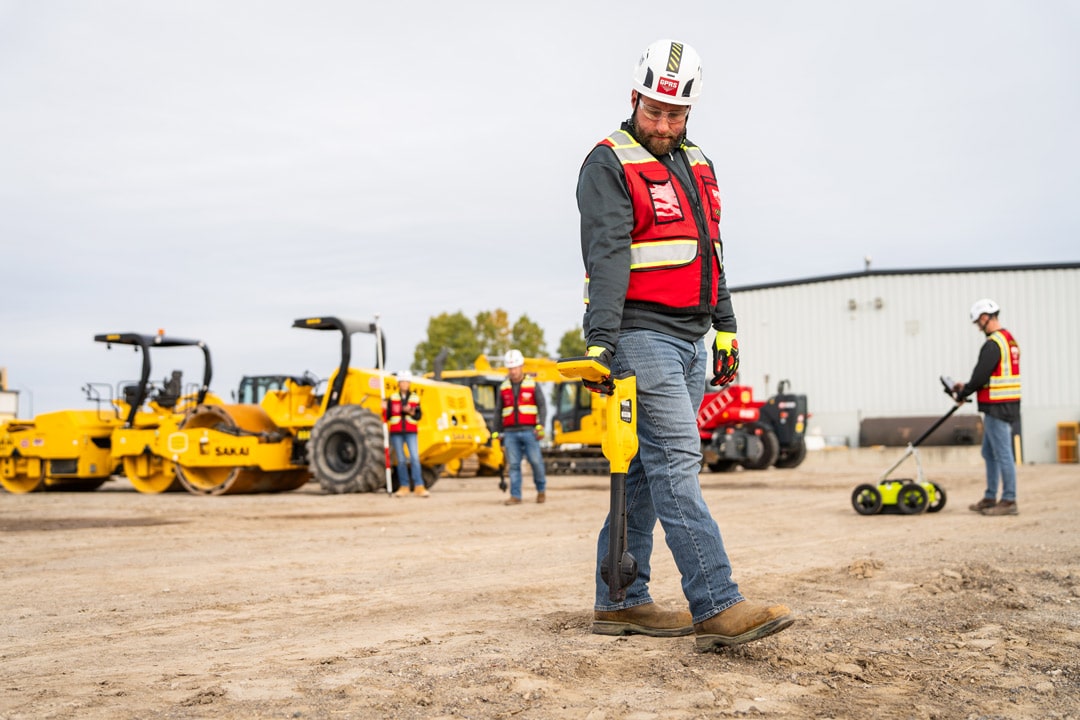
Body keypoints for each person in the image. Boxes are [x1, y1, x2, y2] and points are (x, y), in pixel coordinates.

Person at [576, 38, 794, 651]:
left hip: (694, 339)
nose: (664, 124)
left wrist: (725, 325)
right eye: (654, 111)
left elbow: (712, 251)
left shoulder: (698, 161)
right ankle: (717, 604)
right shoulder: (608, 163)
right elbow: (608, 257)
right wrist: (600, 343)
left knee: (647, 472)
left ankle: (621, 601)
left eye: (676, 114)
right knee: (677, 463)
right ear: (635, 98)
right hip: (641, 336)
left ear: (690, 110)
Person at [952, 298, 1021, 516]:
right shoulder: (1009, 340)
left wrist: (964, 392)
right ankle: (991, 496)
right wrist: (967, 387)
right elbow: (993, 375)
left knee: (1002, 453)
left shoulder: (993, 343)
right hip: (1005, 404)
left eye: (977, 323)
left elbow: (981, 376)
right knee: (989, 452)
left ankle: (1009, 500)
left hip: (997, 406)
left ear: (984, 318)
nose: (978, 327)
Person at [495, 349, 548, 505]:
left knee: (536, 462)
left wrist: (541, 426)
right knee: (514, 465)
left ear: (522, 366)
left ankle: (541, 491)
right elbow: (498, 410)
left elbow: (542, 406)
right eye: (510, 368)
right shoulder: (503, 387)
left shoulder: (532, 384)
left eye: (515, 367)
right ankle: (515, 496)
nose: (513, 371)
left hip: (529, 431)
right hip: (510, 432)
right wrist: (496, 431)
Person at [386, 373, 428, 498]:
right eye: (402, 382)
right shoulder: (392, 398)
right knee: (401, 460)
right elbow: (388, 415)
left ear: (409, 384)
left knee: (415, 458)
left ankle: (419, 486)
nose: (404, 384)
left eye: (406, 382)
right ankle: (404, 486)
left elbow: (419, 416)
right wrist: (384, 408)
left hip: (410, 431)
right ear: (398, 384)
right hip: (396, 432)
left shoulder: (415, 398)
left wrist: (411, 412)